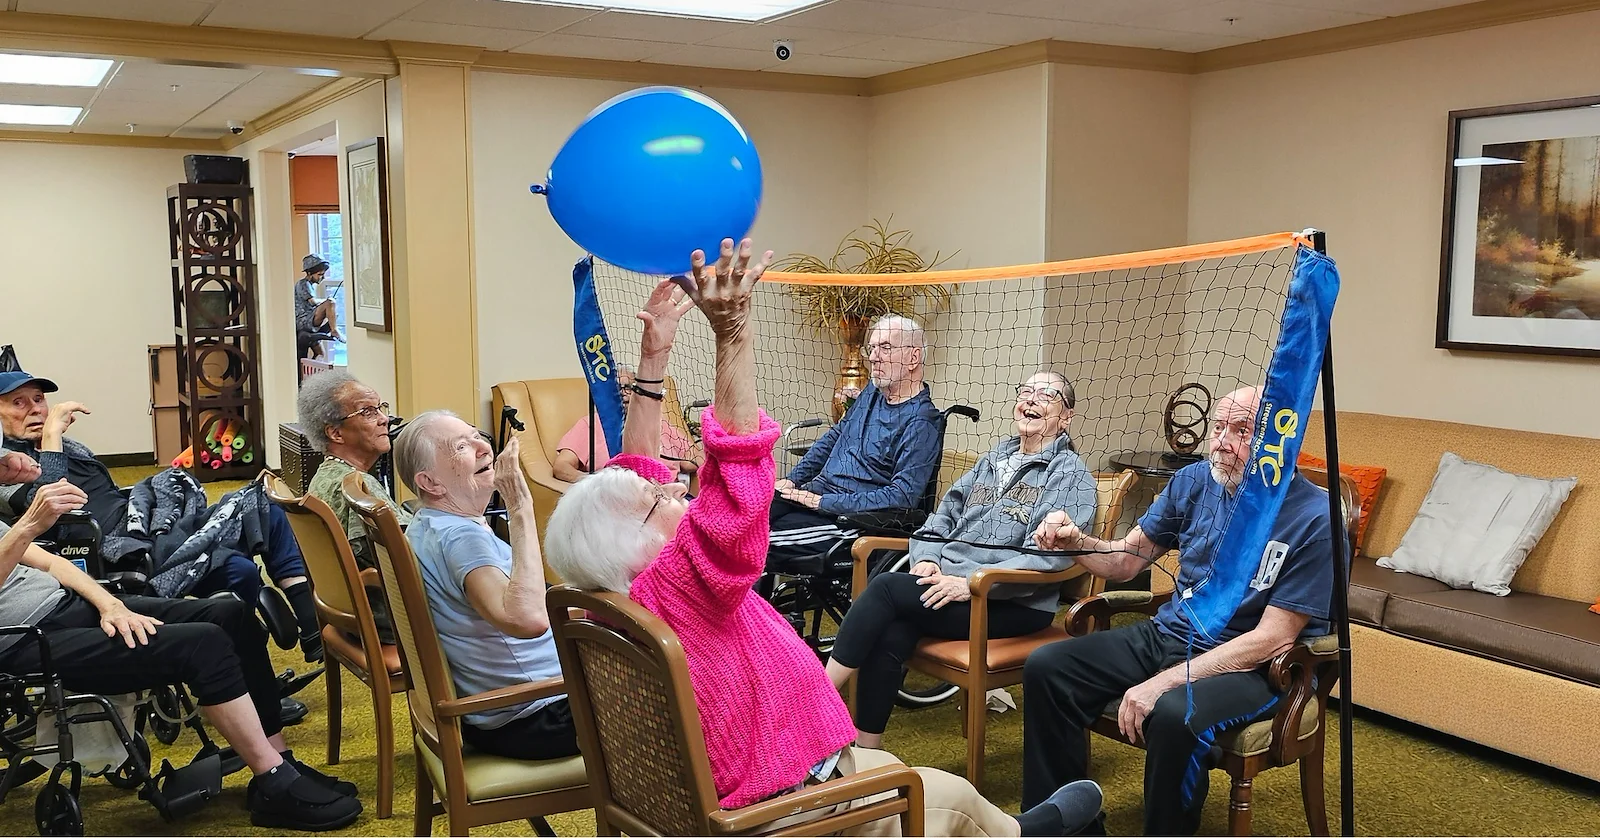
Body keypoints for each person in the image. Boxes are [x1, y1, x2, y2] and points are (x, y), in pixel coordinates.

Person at [544, 239, 1102, 837]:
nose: (676, 491)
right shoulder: (685, 583)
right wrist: (732, 334)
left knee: (891, 717)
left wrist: (653, 363)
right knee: (954, 799)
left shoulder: (612, 594)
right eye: (663, 501)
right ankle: (1028, 833)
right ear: (639, 546)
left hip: (766, 760)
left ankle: (852, 706)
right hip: (782, 795)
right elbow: (734, 480)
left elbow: (634, 474)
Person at [1023, 385, 1340, 836]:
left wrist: (1162, 683)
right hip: (1171, 633)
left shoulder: (1315, 519)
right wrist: (1076, 542)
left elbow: (1273, 639)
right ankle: (1068, 825)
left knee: (1175, 713)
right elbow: (1124, 560)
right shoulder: (1193, 482)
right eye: (1218, 427)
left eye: (1241, 430)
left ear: (1279, 441)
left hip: (1254, 666)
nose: (1221, 442)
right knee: (1049, 667)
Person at [0, 475, 362, 830]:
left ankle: (280, 758)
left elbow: (51, 563)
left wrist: (110, 604)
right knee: (205, 643)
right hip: (25, 640)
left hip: (70, 606)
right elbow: (22, 543)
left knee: (230, 613)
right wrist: (27, 526)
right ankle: (274, 782)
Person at [824, 371, 1097, 747]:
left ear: (1066, 417)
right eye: (1026, 391)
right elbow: (941, 518)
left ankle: (814, 701)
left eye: (1047, 394)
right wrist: (929, 559)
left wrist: (970, 583)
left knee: (887, 587)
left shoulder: (1070, 474)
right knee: (892, 630)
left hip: (1012, 602)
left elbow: (1047, 558)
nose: (1031, 400)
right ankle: (866, 753)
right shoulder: (992, 460)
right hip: (947, 586)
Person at [0, 368, 323, 666]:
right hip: (115, 551)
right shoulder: (8, 466)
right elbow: (50, 504)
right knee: (238, 565)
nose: (37, 409)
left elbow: (113, 494)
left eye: (39, 400)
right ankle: (245, 665)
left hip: (150, 527)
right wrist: (52, 438)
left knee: (264, 506)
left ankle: (307, 628)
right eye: (19, 402)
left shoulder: (69, 447)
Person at [392, 410, 576, 762]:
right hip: (536, 716)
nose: (483, 447)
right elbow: (527, 619)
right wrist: (520, 507)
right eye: (462, 446)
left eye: (477, 435)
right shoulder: (460, 536)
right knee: (683, 684)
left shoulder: (428, 524)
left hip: (501, 714)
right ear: (430, 483)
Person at [768, 314, 942, 565]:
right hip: (814, 499)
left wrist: (823, 502)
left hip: (850, 522)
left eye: (885, 347)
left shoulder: (922, 422)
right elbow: (835, 437)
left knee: (752, 542)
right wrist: (792, 481)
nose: (873, 356)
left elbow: (902, 497)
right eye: (871, 348)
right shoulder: (873, 391)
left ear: (913, 357)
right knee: (742, 518)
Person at [297, 370, 407, 647]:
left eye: (381, 408)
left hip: (353, 614)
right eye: (368, 412)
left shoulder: (325, 476)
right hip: (393, 622)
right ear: (335, 433)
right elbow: (405, 559)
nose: (384, 419)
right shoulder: (357, 487)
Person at [551, 365, 699, 483]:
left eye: (628, 387)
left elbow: (690, 462)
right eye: (616, 388)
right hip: (620, 499)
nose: (622, 392)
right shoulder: (590, 424)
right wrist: (594, 484)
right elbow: (561, 467)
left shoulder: (660, 423)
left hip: (668, 494)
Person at [296, 255, 343, 361]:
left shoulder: (310, 285)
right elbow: (313, 302)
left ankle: (312, 375)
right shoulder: (303, 284)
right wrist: (326, 301)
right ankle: (334, 330)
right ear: (309, 273)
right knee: (331, 302)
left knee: (320, 354)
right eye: (320, 275)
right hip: (304, 321)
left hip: (310, 320)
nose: (322, 277)